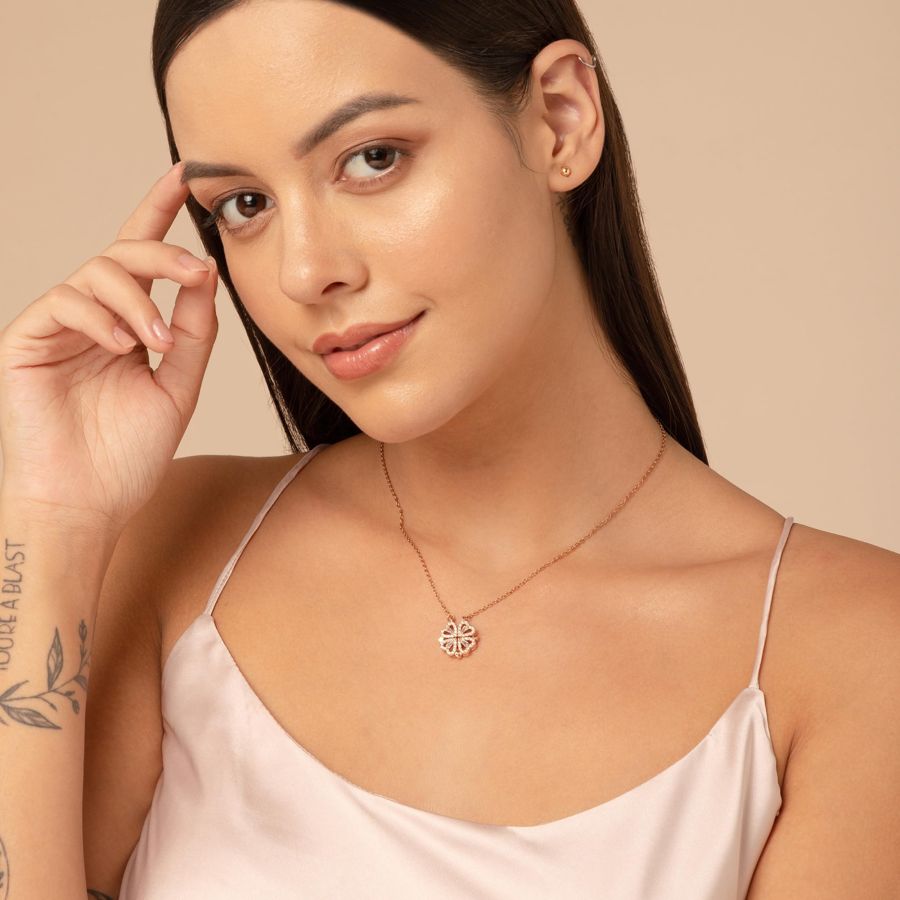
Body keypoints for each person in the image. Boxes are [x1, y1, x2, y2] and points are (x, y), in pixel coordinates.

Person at [0, 0, 897, 897]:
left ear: (561, 119)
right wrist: (51, 521)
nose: (305, 271)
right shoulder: (173, 548)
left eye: (372, 158)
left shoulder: (849, 653)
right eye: (245, 204)